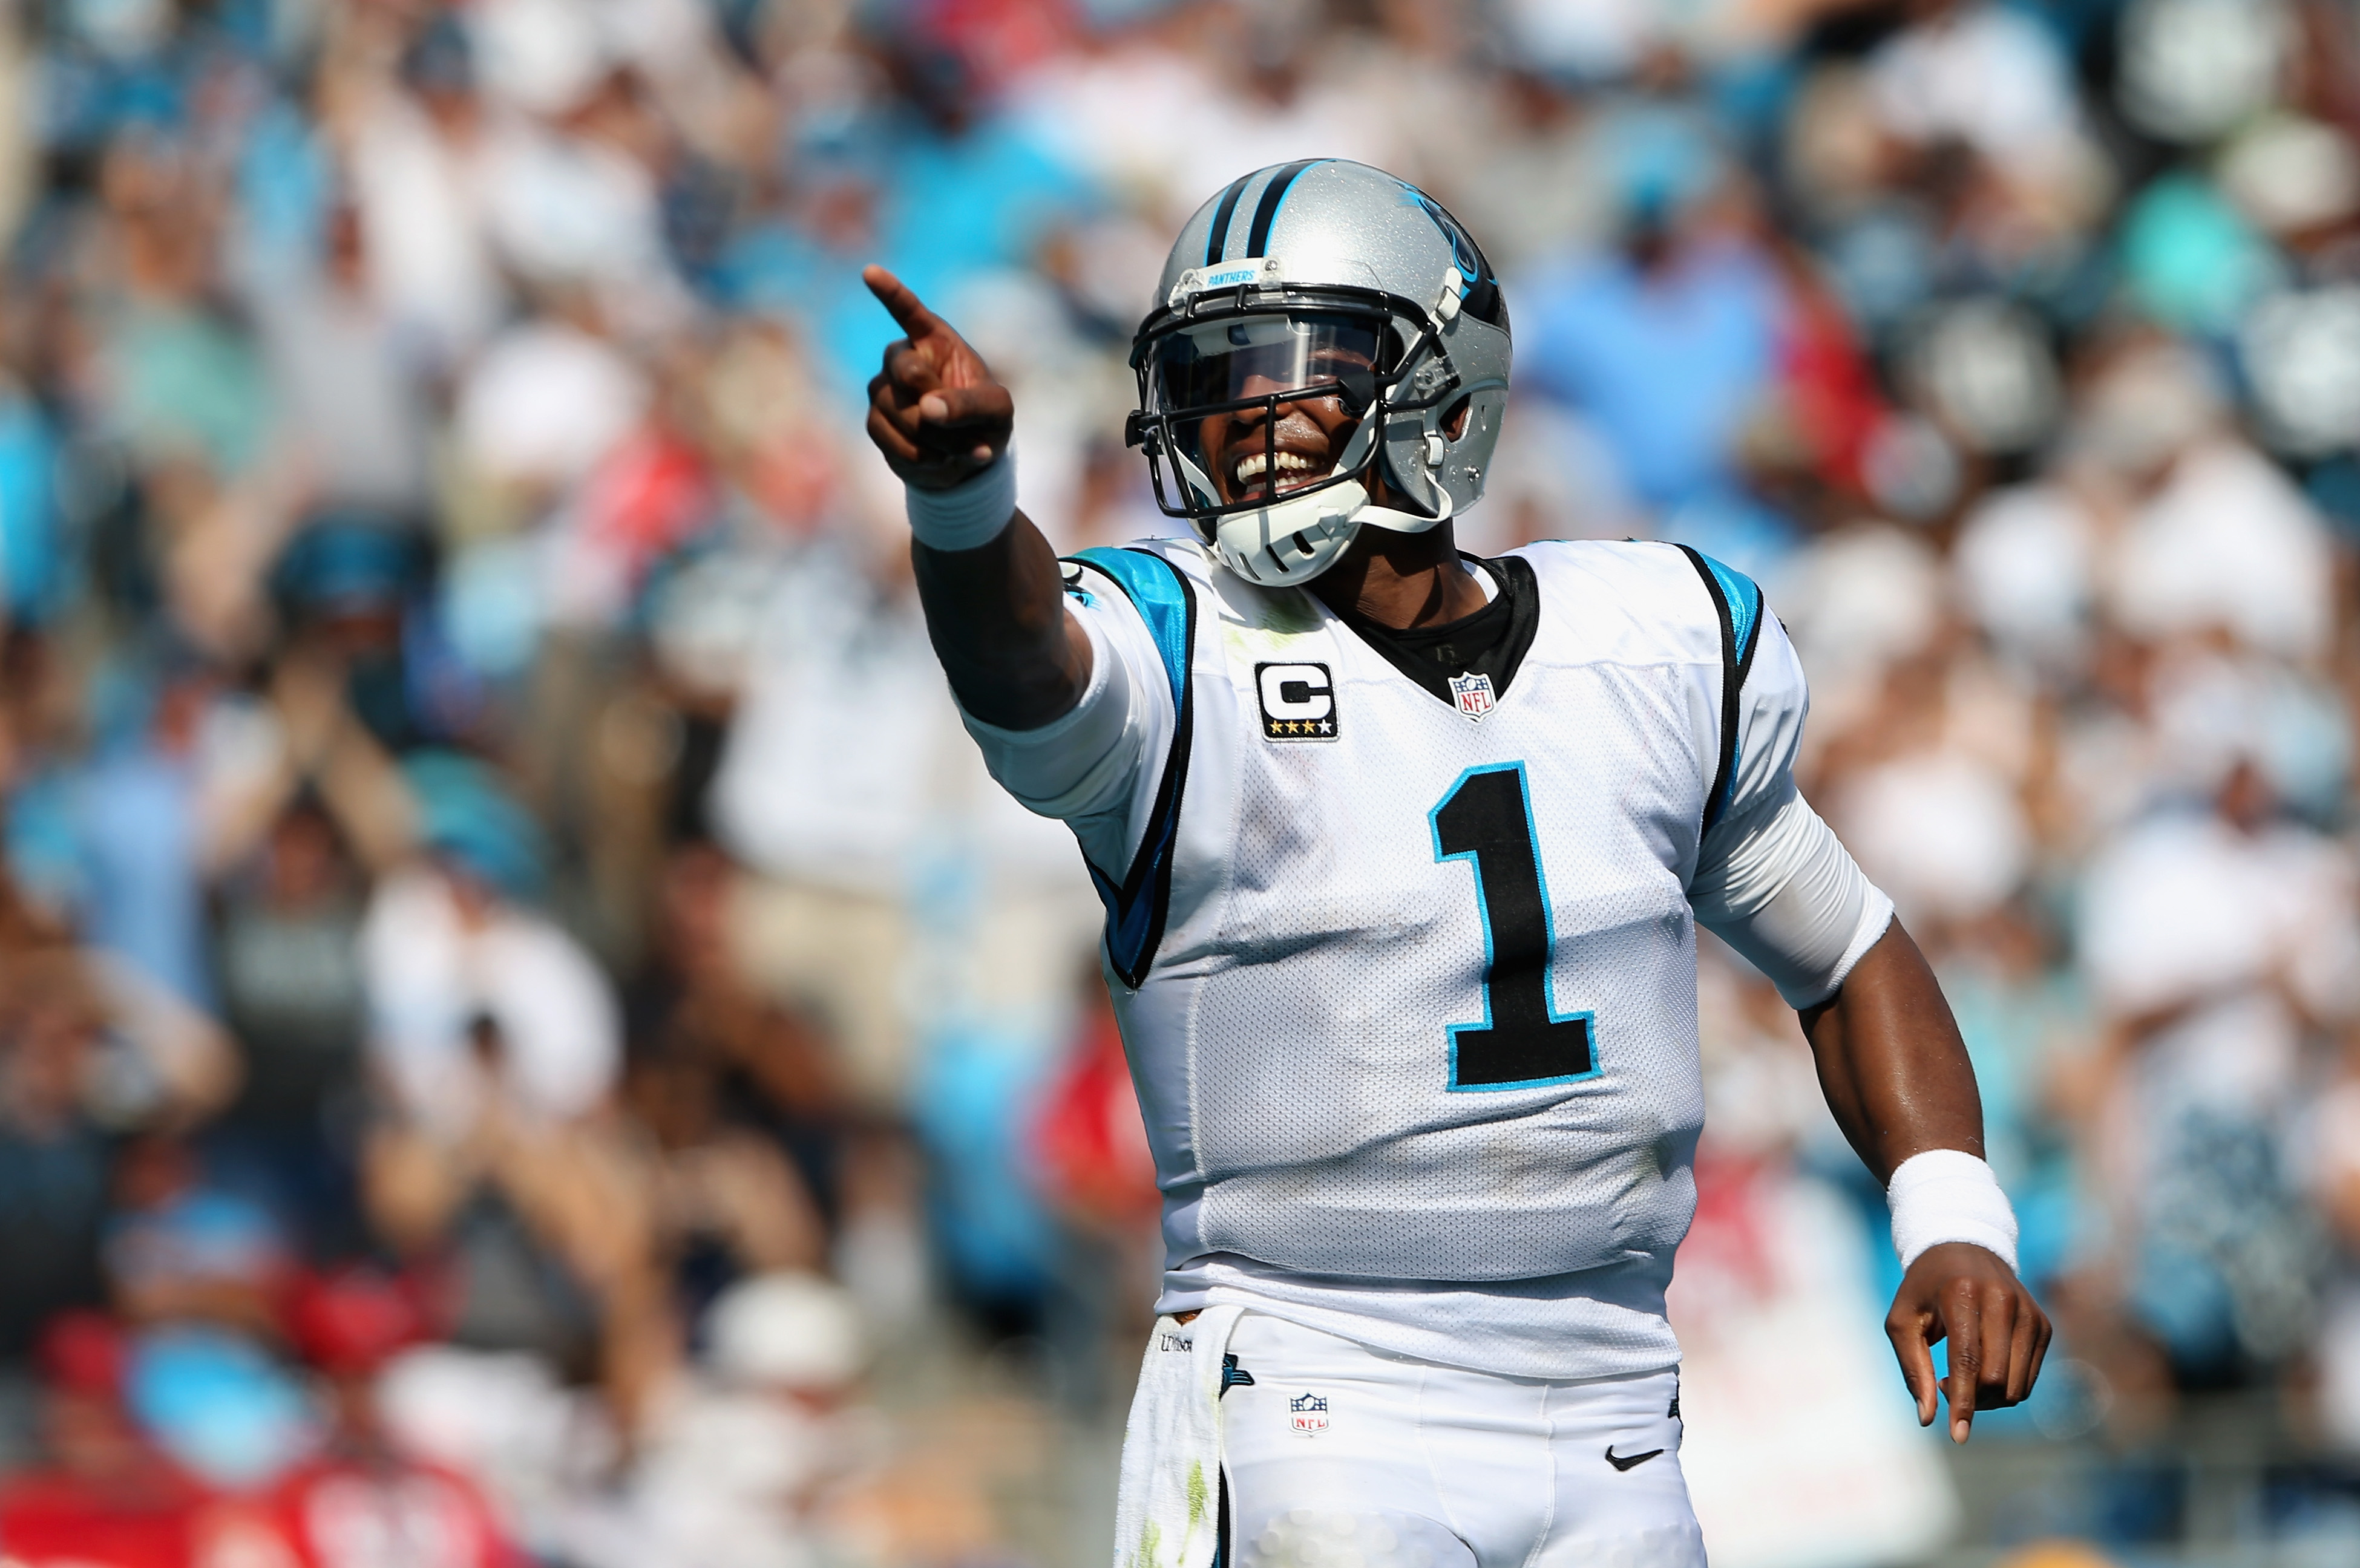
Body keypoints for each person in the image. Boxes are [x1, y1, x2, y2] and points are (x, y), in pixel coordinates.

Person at [860, 158, 2048, 1568]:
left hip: (1618, 1398)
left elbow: (1847, 954)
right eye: (1213, 377)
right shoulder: (1182, 652)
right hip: (1311, 1388)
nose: (1244, 421)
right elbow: (1023, 669)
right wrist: (965, 503)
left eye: (1291, 367)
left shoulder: (1650, 643)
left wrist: (1954, 1219)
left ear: (1441, 372)